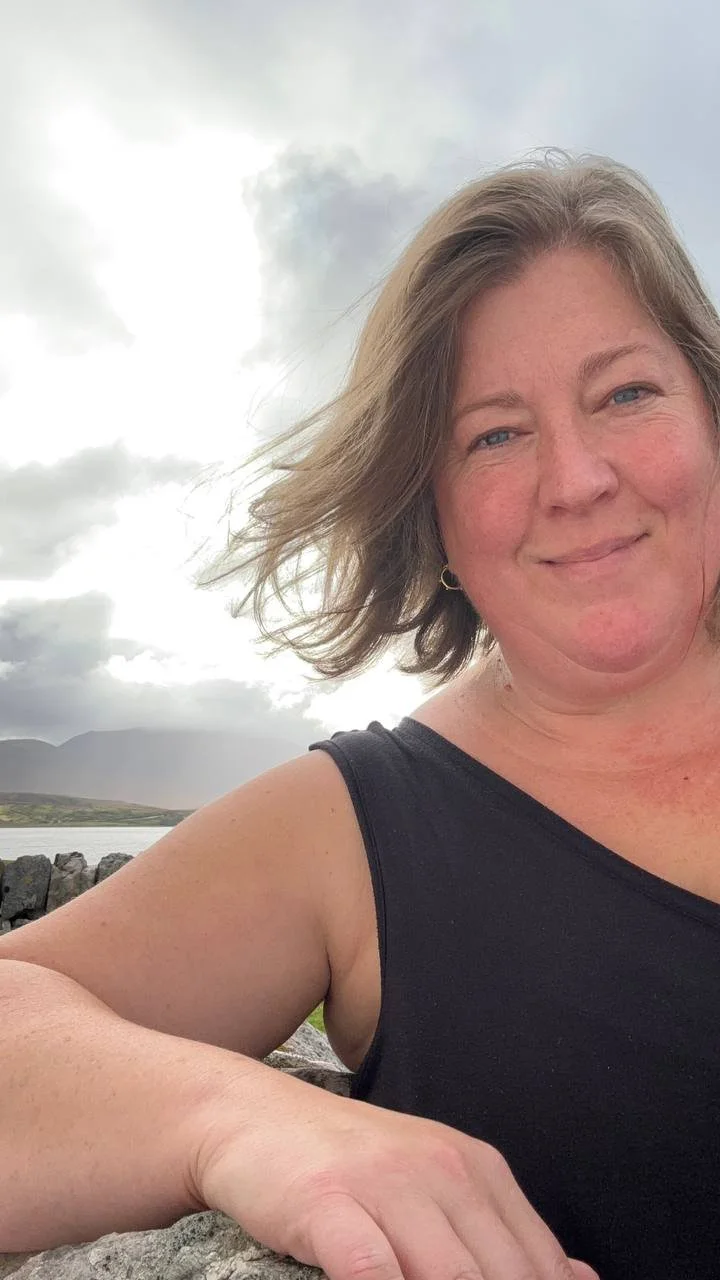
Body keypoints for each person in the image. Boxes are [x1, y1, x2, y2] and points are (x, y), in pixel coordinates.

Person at [1, 149, 719, 1280]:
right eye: (495, 432)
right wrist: (237, 1118)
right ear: (432, 512)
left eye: (625, 392)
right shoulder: (360, 826)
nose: (576, 477)